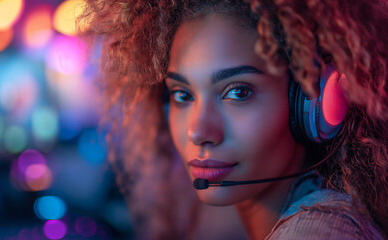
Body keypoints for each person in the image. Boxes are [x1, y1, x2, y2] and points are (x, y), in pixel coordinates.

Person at [80, 0, 388, 239]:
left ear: (314, 103)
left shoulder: (320, 231)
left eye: (238, 92)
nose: (198, 131)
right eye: (182, 95)